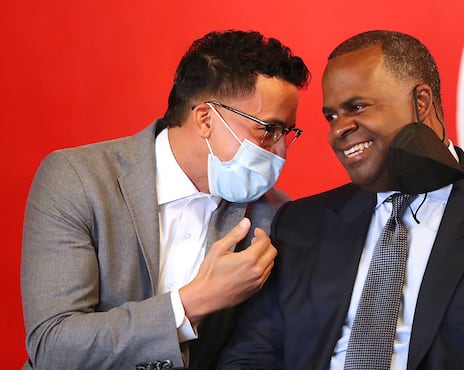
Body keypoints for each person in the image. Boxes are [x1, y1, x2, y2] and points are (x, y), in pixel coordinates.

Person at [216, 30, 464, 369]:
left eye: (357, 107)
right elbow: (250, 355)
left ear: (422, 101)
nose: (339, 130)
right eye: (331, 116)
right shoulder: (301, 224)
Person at [21, 30, 310, 370]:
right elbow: (54, 346)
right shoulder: (77, 178)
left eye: (287, 134)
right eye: (268, 129)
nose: (279, 151)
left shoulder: (276, 217)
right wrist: (192, 302)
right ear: (205, 119)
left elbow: (259, 353)